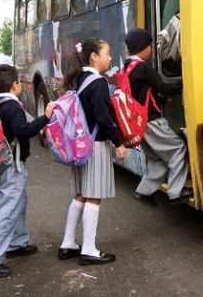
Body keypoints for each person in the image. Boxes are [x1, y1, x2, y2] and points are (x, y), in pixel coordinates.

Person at [0, 64, 56, 278]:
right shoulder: (12, 106)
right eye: (19, 81)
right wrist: (45, 117)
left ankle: (16, 243)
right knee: (7, 208)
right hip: (13, 164)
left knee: (17, 202)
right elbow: (24, 130)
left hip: (3, 163)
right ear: (14, 85)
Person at [57, 37, 128, 265]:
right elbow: (103, 117)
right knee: (94, 197)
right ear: (93, 57)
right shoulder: (97, 82)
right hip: (95, 145)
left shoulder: (79, 79)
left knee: (81, 194)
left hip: (79, 145)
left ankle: (68, 243)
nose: (109, 58)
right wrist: (118, 143)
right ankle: (88, 249)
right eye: (106, 54)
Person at [123, 28, 192, 206]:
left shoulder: (128, 67)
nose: (152, 50)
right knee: (178, 148)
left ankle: (144, 191)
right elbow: (162, 86)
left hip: (139, 124)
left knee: (156, 158)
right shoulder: (143, 67)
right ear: (143, 47)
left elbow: (144, 92)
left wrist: (162, 99)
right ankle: (176, 192)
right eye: (150, 46)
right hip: (152, 121)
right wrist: (187, 81)